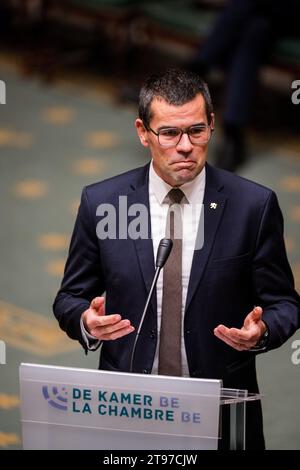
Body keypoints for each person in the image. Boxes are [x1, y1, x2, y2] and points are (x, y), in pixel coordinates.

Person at [53, 68, 300, 449]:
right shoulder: (103, 203)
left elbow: (284, 303)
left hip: (220, 404)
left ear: (212, 125)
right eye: (169, 133)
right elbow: (69, 297)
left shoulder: (254, 206)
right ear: (142, 132)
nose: (185, 145)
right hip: (129, 405)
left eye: (196, 131)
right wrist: (86, 320)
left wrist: (261, 331)